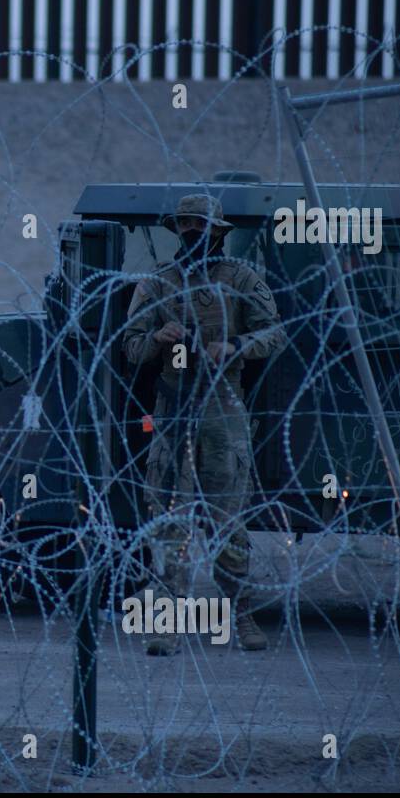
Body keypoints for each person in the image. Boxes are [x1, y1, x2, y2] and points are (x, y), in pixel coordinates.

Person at [123, 194, 287, 656]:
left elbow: (275, 332)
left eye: (201, 225)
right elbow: (129, 346)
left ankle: (242, 612)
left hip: (222, 406)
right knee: (169, 520)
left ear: (218, 231)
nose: (193, 232)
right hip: (173, 404)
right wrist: (157, 338)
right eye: (186, 225)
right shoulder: (157, 284)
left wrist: (233, 345)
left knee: (226, 519)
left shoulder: (241, 279)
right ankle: (168, 621)